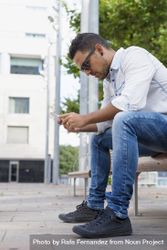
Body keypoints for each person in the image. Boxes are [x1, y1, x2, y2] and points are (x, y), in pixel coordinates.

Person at [58, 33, 167, 238]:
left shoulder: (134, 56)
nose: (87, 72)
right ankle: (94, 205)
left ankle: (118, 214)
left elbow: (129, 104)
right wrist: (79, 126)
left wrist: (85, 118)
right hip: (153, 135)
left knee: (124, 119)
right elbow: (105, 123)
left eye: (86, 65)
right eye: (83, 70)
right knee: (100, 139)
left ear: (99, 49)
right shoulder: (110, 80)